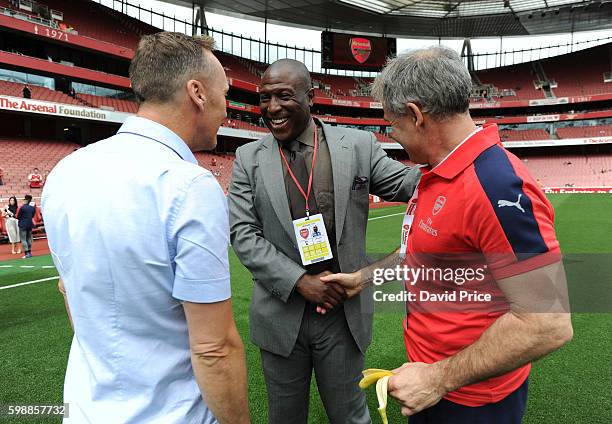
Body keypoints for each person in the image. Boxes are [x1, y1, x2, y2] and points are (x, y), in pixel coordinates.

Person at [321, 47, 573, 424]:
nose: (393, 136)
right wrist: (367, 276)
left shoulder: (497, 185)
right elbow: (423, 249)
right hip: (431, 381)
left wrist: (438, 379)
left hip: (471, 400)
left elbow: (548, 324)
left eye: (393, 125)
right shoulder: (439, 171)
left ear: (416, 115)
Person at [42, 32, 249, 424]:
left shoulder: (65, 171)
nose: (228, 107)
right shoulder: (189, 185)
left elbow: (70, 292)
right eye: (225, 93)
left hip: (86, 410)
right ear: (197, 93)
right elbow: (214, 348)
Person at [228, 58, 420, 424]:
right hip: (280, 314)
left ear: (310, 97)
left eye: (284, 96)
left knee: (350, 415)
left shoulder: (359, 145)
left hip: (343, 314)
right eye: (264, 98)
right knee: (285, 417)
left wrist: (458, 150)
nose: (272, 108)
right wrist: (300, 282)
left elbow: (408, 184)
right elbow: (242, 233)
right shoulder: (247, 158)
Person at [16, 194, 35, 258]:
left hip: (23, 225)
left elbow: (18, 217)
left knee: (23, 239)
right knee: (29, 238)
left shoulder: (22, 208)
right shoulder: (32, 208)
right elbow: (32, 216)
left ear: (25, 200)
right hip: (29, 224)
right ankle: (29, 252)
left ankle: (27, 253)